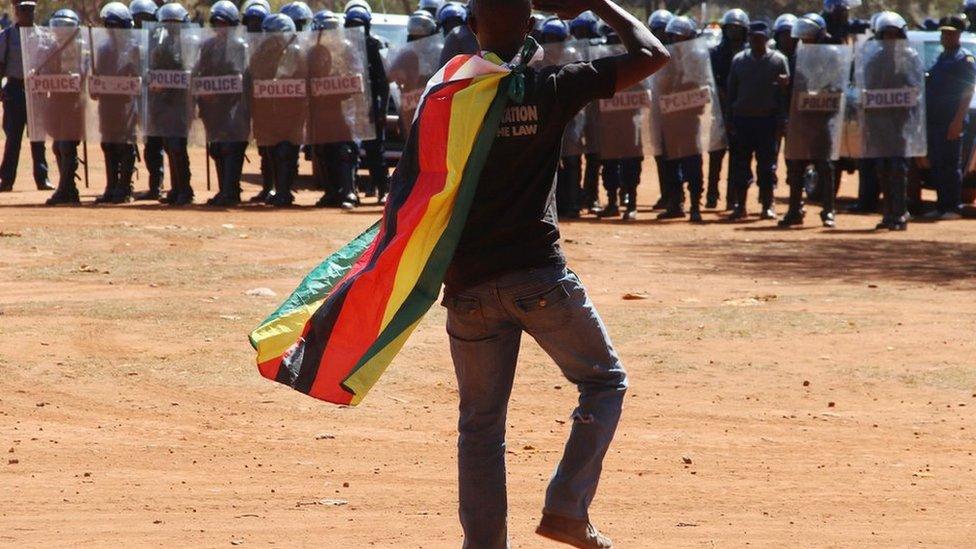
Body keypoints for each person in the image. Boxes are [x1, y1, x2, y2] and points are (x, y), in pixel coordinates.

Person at [440, 0, 668, 546]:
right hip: (538, 277)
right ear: (532, 27)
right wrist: (597, 3)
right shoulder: (552, 88)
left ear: (471, 28)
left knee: (480, 427)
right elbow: (652, 54)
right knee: (603, 380)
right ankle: (566, 507)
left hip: (468, 287)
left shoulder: (444, 100)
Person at [779, 15, 843, 228]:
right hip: (801, 119)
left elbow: (837, 86)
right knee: (796, 165)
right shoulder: (797, 56)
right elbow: (793, 90)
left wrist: (822, 94)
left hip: (822, 119)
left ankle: (828, 211)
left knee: (824, 165)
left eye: (809, 35)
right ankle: (794, 210)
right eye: (803, 36)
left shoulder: (832, 56)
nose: (805, 39)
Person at [863, 12, 924, 231]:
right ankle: (888, 212)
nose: (890, 39)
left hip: (900, 121)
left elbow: (916, 87)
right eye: (886, 34)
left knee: (898, 167)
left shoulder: (910, 57)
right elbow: (867, 86)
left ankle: (900, 213)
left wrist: (910, 95)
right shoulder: (874, 59)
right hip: (879, 121)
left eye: (893, 34)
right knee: (882, 167)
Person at [655, 15, 710, 222]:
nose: (677, 40)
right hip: (669, 117)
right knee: (670, 163)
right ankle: (675, 203)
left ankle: (695, 204)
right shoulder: (666, 56)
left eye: (681, 36)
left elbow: (704, 85)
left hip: (689, 118)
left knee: (692, 162)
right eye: (674, 36)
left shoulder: (698, 56)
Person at [249, 13, 306, 207]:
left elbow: (297, 77)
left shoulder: (296, 51)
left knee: (286, 150)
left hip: (292, 111)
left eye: (277, 35)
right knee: (271, 149)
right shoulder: (262, 53)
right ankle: (276, 189)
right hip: (269, 111)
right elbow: (253, 74)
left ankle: (284, 192)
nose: (273, 39)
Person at [196, 0, 249, 206]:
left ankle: (231, 191)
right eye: (217, 23)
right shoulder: (207, 46)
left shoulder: (240, 46)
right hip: (212, 108)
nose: (220, 27)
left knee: (231, 147)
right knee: (217, 148)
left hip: (234, 107)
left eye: (224, 23)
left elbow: (243, 77)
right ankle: (224, 191)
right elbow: (200, 72)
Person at [924, 14, 975, 220]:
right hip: (935, 119)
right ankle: (941, 205)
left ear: (958, 35)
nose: (945, 37)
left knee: (950, 165)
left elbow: (967, 91)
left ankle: (952, 207)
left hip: (951, 120)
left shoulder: (964, 58)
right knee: (937, 164)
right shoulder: (942, 57)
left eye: (949, 33)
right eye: (943, 33)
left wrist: (957, 121)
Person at [92, 2, 141, 205]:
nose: (111, 30)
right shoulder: (103, 49)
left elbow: (139, 77)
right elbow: (97, 74)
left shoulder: (134, 49)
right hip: (107, 104)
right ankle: (111, 187)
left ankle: (124, 188)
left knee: (125, 145)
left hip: (126, 105)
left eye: (115, 26)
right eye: (108, 26)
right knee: (108, 144)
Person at [0, 0, 51, 193]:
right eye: (23, 10)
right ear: (16, 11)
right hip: (14, 89)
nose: (28, 14)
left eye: (31, 10)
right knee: (13, 138)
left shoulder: (43, 36)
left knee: (38, 138)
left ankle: (42, 178)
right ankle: (6, 180)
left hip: (36, 90)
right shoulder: (6, 36)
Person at [148, 2, 194, 206]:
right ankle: (176, 188)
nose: (170, 27)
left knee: (177, 145)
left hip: (180, 102)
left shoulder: (190, 44)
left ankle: (186, 189)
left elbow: (191, 70)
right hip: (162, 102)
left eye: (174, 23)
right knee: (168, 144)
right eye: (167, 23)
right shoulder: (160, 43)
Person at [344, 3, 391, 204]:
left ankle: (383, 190)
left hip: (370, 105)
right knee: (348, 149)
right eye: (353, 25)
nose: (357, 29)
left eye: (360, 25)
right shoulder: (342, 46)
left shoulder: (374, 45)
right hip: (348, 105)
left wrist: (381, 110)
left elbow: (384, 81)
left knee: (375, 151)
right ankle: (350, 191)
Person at [39, 9, 84, 205]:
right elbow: (45, 71)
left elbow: (86, 74)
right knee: (58, 146)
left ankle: (66, 189)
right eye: (58, 26)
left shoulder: (82, 48)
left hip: (73, 104)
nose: (61, 30)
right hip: (56, 102)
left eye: (66, 27)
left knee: (67, 145)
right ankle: (68, 188)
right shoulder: (51, 49)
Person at [707, 8, 748, 210]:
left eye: (738, 29)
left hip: (741, 111)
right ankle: (711, 194)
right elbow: (710, 78)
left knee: (738, 156)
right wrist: (722, 93)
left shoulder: (748, 54)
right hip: (720, 111)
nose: (734, 32)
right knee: (716, 154)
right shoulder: (715, 53)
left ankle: (732, 198)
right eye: (731, 28)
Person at [129, 0, 165, 201]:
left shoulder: (161, 39)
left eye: (145, 18)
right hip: (140, 99)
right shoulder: (132, 41)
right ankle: (154, 186)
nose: (141, 22)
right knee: (149, 143)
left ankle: (158, 186)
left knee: (159, 143)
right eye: (138, 18)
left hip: (160, 99)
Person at [569, 10, 603, 214]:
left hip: (597, 109)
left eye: (585, 30)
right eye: (578, 30)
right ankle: (575, 198)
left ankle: (592, 197)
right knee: (572, 156)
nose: (581, 35)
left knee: (595, 155)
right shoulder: (569, 50)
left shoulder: (600, 49)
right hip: (574, 109)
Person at [241, 0, 275, 203]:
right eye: (250, 21)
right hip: (253, 103)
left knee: (272, 149)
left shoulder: (268, 46)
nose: (253, 25)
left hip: (273, 106)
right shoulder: (243, 44)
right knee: (264, 148)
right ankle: (266, 187)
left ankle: (272, 188)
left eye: (258, 21)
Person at [647, 8, 675, 212]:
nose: (660, 34)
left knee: (675, 155)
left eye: (663, 30)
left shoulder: (679, 52)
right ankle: (666, 195)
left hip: (675, 113)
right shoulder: (646, 51)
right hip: (655, 111)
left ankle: (676, 196)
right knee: (660, 155)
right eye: (656, 30)